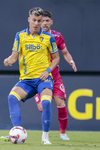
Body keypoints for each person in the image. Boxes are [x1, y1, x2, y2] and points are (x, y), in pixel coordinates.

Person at [1, 7, 60, 145]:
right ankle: (17, 131)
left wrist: (48, 71)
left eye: (39, 21)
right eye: (33, 20)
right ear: (29, 19)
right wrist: (8, 60)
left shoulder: (48, 37)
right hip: (26, 80)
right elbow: (14, 56)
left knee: (46, 102)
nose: (36, 23)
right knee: (11, 97)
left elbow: (56, 58)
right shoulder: (20, 36)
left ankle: (45, 138)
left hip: (43, 80)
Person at [34, 11, 77, 141]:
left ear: (51, 22)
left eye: (48, 21)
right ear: (39, 22)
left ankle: (63, 133)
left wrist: (71, 61)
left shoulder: (57, 36)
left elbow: (65, 52)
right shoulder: (33, 36)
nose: (45, 23)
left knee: (60, 102)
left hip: (54, 75)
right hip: (38, 75)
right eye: (43, 21)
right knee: (43, 106)